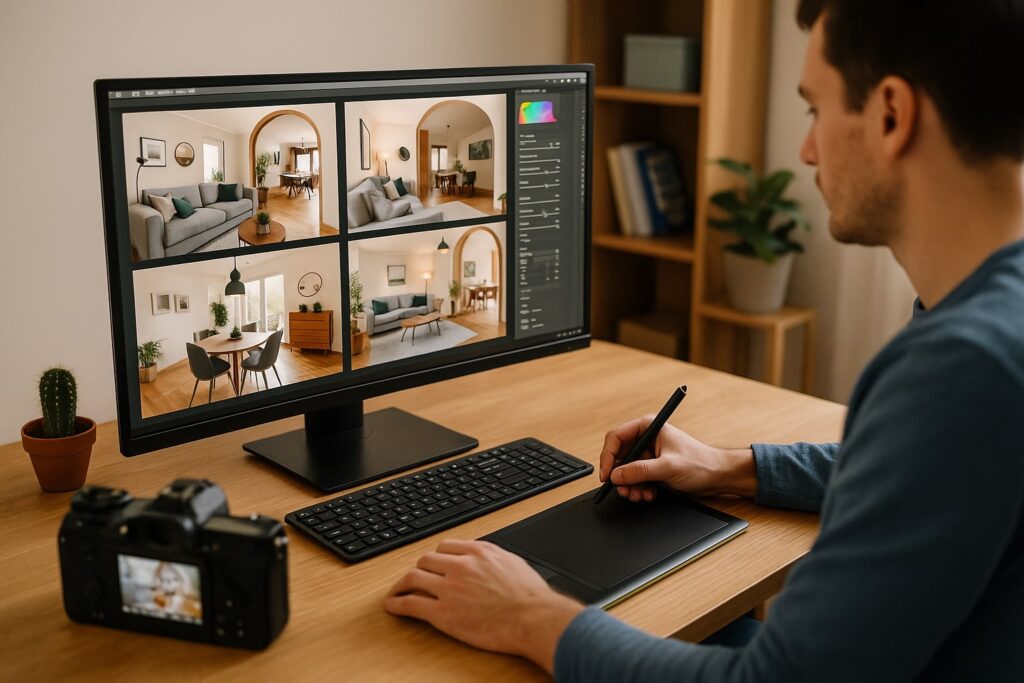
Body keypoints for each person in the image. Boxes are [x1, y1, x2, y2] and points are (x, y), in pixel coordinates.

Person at [385, 0, 1024, 679]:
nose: (807, 148)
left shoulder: (962, 367)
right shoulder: (991, 322)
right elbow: (917, 474)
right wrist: (726, 466)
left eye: (814, 109)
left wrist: (529, 613)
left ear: (893, 114)